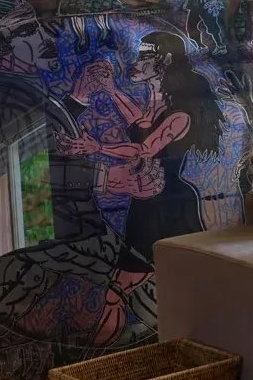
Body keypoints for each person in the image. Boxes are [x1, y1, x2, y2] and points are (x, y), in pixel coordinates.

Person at [59, 32, 223, 266]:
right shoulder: (156, 104)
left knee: (170, 266)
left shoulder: (181, 114)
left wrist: (97, 147)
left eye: (144, 56)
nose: (135, 63)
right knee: (137, 265)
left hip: (170, 200)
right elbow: (139, 123)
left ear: (166, 60)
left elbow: (143, 149)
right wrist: (111, 89)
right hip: (145, 194)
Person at [0, 0, 104, 241]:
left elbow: (45, 133)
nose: (46, 38)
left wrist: (77, 100)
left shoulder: (25, 90)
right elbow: (33, 182)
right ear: (0, 46)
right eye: (28, 30)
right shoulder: (6, 106)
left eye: (38, 26)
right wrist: (107, 177)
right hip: (58, 244)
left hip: (73, 237)